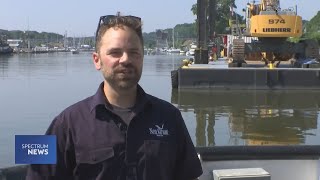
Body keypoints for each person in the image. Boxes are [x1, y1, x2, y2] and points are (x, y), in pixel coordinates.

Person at [26, 12, 203, 180]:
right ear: (97, 60)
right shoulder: (66, 124)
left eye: (134, 52)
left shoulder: (170, 117)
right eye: (115, 52)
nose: (125, 59)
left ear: (142, 58)